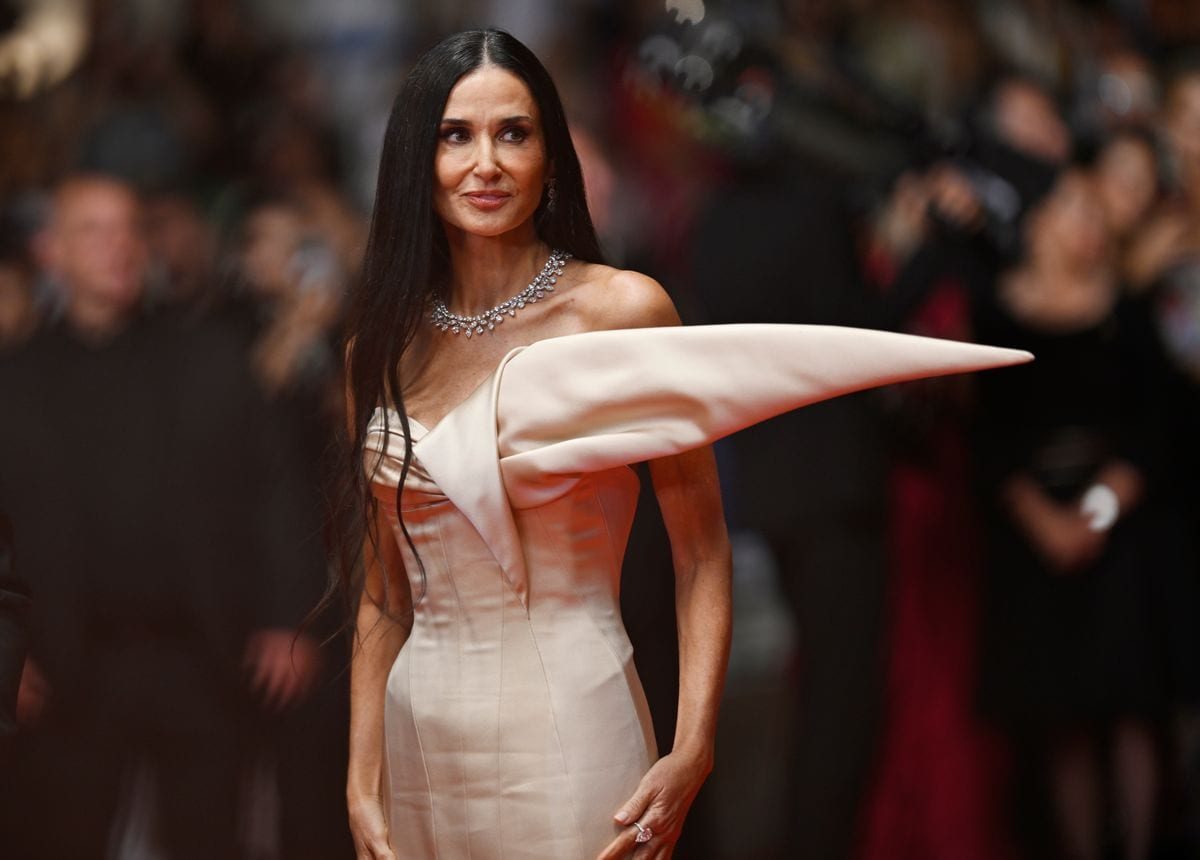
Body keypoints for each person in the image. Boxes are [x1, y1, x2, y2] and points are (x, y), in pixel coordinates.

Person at [335, 29, 1029, 860]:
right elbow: (382, 593)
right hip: (418, 738)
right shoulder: (378, 345)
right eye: (457, 135)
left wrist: (693, 746)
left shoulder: (621, 310)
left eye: (513, 132)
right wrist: (359, 769)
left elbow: (701, 552)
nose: (486, 161)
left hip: (571, 723)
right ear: (417, 157)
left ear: (553, 155)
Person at [0, 174, 336, 858]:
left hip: (202, 654)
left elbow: (276, 486)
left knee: (209, 840)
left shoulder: (211, 355)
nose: (118, 246)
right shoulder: (15, 378)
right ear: (52, 252)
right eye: (93, 230)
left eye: (129, 228)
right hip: (65, 664)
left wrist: (287, 618)